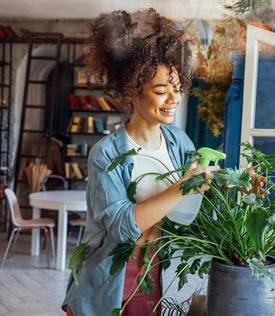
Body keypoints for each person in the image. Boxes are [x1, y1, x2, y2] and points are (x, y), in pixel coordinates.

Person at [62, 9, 218, 315]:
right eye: (161, 90)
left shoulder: (179, 142)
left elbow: (199, 191)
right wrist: (182, 188)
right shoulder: (106, 153)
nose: (173, 99)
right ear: (132, 92)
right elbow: (123, 227)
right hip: (114, 273)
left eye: (176, 88)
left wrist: (238, 184)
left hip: (160, 267)